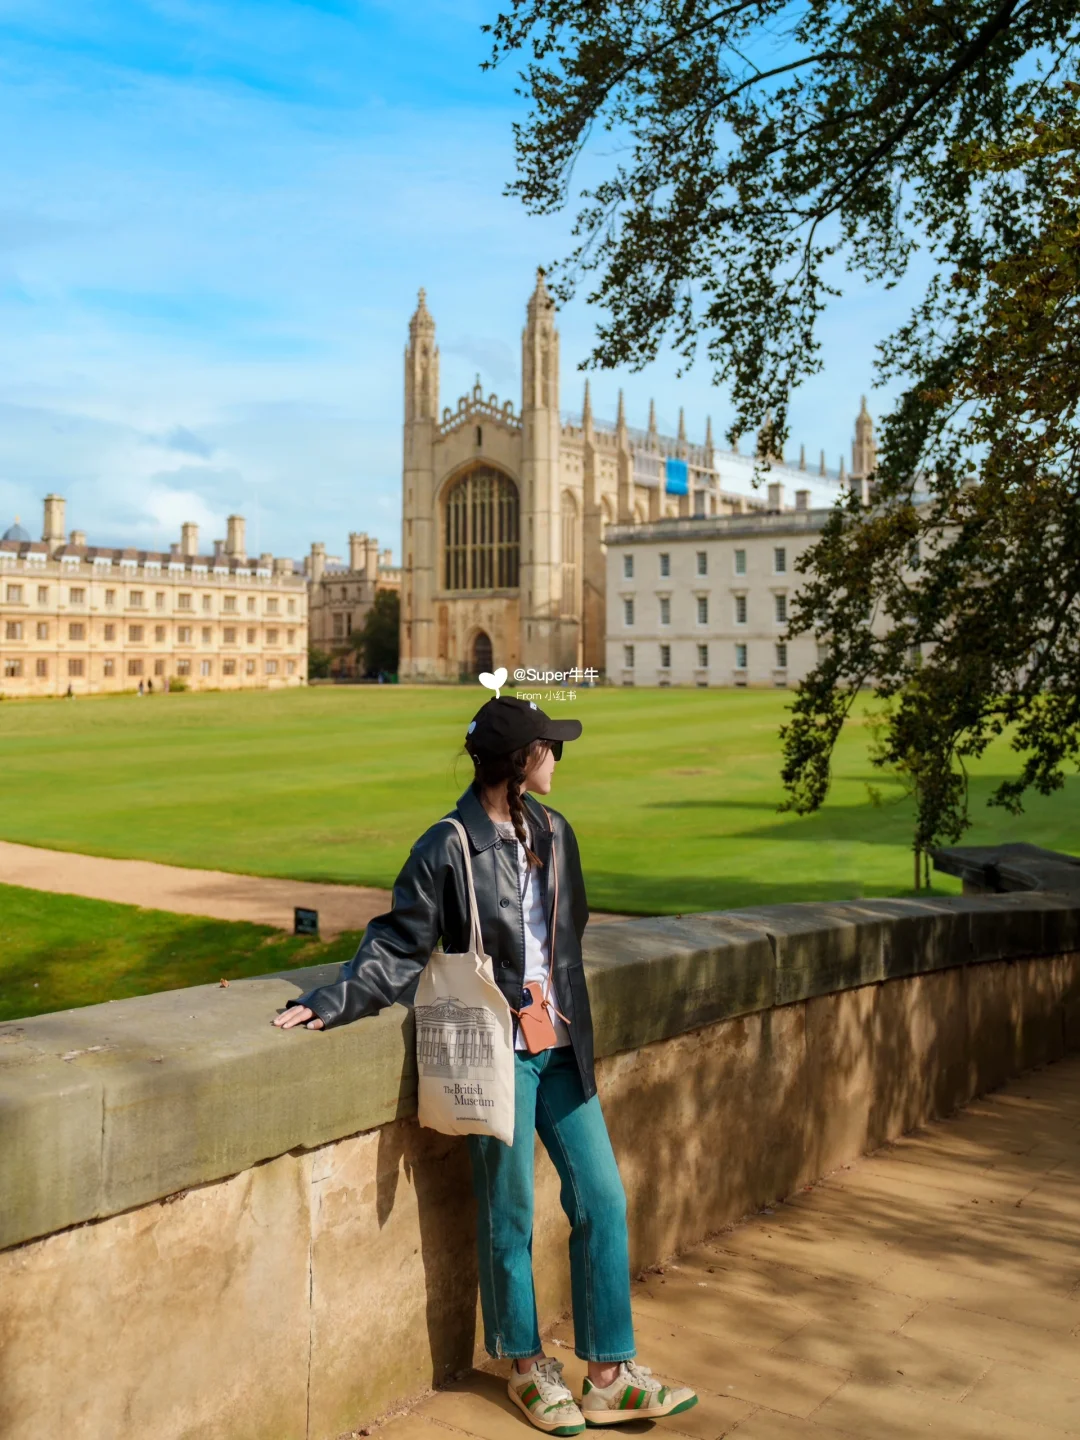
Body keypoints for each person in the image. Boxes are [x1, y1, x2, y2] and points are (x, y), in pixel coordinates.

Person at [274, 696, 697, 1435]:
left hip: (560, 1041)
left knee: (603, 1199)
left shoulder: (556, 833)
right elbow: (398, 944)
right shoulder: (447, 846)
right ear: (518, 761)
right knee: (511, 1211)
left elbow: (567, 937)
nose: (557, 757)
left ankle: (608, 1377)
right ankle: (527, 1368)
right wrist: (334, 999)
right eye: (548, 746)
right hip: (495, 1051)